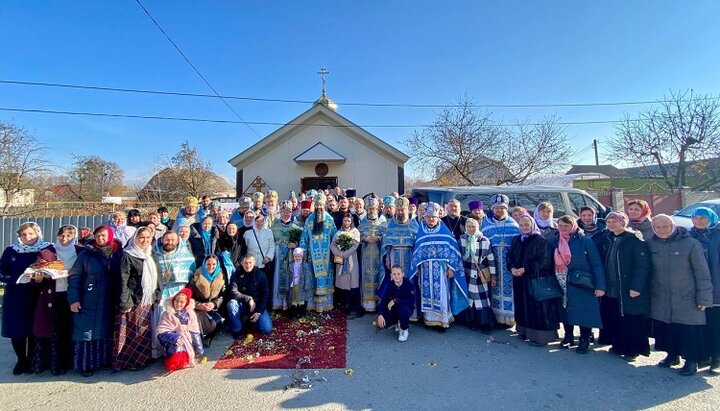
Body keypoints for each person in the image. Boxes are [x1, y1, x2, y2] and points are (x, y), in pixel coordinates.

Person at [649, 214, 713, 376]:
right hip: (661, 295)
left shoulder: (690, 244)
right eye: (658, 227)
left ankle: (691, 361)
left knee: (688, 331)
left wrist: (704, 297)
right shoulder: (651, 244)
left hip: (687, 296)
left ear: (673, 226)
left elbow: (702, 272)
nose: (662, 230)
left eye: (665, 226)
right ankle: (672, 355)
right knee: (668, 328)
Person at [1, 222, 56, 375]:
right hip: (15, 295)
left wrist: (39, 279)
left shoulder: (47, 248)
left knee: (34, 328)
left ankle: (32, 359)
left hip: (37, 295)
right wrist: (17, 278)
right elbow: (1, 272)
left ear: (38, 233)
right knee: (16, 329)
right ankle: (21, 360)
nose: (27, 237)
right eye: (24, 234)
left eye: (31, 234)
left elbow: (53, 271)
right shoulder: (11, 250)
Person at [68, 225, 123, 377]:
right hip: (89, 298)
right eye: (98, 235)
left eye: (104, 235)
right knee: (86, 331)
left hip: (110, 298)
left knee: (106, 330)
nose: (100, 238)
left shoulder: (118, 253)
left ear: (110, 236)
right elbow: (74, 277)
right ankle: (86, 364)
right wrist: (74, 299)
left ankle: (104, 361)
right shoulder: (86, 254)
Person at [596, 212, 651, 361]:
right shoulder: (608, 238)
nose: (612, 224)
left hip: (628, 287)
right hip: (611, 286)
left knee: (631, 320)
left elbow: (642, 267)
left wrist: (636, 287)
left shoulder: (634, 240)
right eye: (609, 222)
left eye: (615, 221)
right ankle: (617, 344)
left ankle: (632, 350)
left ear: (623, 222)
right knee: (615, 317)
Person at [32, 225, 83, 375]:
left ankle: (71, 361)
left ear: (74, 237)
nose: (64, 238)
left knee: (70, 329)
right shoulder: (47, 251)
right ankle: (56, 363)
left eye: (68, 235)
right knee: (54, 330)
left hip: (72, 294)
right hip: (52, 295)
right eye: (62, 235)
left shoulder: (80, 251)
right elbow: (37, 274)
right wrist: (39, 277)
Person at [552, 215, 605, 354]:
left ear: (573, 226)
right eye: (561, 226)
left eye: (567, 226)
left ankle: (584, 339)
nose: (564, 229)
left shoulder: (585, 240)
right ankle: (568, 336)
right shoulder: (555, 240)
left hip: (582, 282)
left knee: (584, 312)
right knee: (565, 310)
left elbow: (596, 263)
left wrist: (600, 285)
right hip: (562, 281)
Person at [411, 202, 469, 329]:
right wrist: (416, 268)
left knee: (442, 294)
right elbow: (417, 252)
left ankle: (443, 321)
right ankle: (429, 319)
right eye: (428, 217)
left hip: (441, 270)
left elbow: (454, 251)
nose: (431, 219)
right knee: (427, 293)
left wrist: (451, 268)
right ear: (424, 217)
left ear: (438, 218)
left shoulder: (445, 232)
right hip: (426, 270)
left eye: (433, 217)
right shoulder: (421, 232)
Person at [113, 227, 161, 371]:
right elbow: (123, 280)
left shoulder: (150, 254)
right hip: (133, 299)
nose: (145, 240)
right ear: (135, 238)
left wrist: (157, 295)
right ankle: (132, 361)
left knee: (144, 330)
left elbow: (158, 275)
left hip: (147, 299)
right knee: (133, 331)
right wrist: (125, 302)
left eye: (148, 238)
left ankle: (144, 358)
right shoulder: (128, 255)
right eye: (142, 238)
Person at [509, 216, 561, 346]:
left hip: (535, 279)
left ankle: (542, 337)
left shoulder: (540, 240)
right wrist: (512, 268)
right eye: (521, 225)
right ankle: (524, 331)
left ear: (532, 224)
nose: (524, 227)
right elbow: (509, 256)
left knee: (538, 308)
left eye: (527, 224)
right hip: (520, 280)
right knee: (522, 306)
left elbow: (544, 260)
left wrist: (525, 268)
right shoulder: (516, 240)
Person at [688, 207, 720, 375]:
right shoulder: (690, 234)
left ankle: (717, 358)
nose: (698, 221)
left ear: (711, 219)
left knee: (715, 325)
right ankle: (704, 356)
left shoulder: (717, 235)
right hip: (694, 287)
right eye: (695, 218)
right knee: (700, 324)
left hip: (716, 286)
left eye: (702, 218)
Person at [481, 194, 521, 326]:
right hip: (494, 265)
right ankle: (497, 318)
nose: (499, 210)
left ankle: (511, 319)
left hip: (510, 266)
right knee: (494, 289)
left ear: (506, 208)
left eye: (502, 208)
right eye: (496, 208)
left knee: (512, 291)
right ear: (492, 209)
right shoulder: (486, 225)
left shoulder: (514, 225)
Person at [299, 193, 338, 312]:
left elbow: (335, 236)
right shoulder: (309, 219)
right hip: (312, 256)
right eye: (317, 205)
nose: (319, 207)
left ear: (324, 205)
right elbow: (304, 236)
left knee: (324, 280)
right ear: (314, 205)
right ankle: (313, 305)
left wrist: (336, 250)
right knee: (313, 280)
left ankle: (325, 306)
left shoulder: (329, 219)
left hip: (326, 256)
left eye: (321, 205)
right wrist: (303, 251)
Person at [460, 218, 496, 333]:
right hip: (468, 273)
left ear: (478, 227)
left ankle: (485, 324)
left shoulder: (484, 240)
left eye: (473, 227)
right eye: (469, 226)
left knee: (483, 299)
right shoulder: (462, 239)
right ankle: (472, 322)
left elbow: (490, 259)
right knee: (470, 299)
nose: (471, 229)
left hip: (480, 274)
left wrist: (494, 275)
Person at [156, 288, 203, 372]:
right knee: (176, 351)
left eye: (182, 302)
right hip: (173, 339)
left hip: (187, 338)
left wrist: (199, 347)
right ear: (173, 300)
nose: (178, 304)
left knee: (187, 354)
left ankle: (186, 356)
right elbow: (161, 331)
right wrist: (175, 338)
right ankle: (172, 357)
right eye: (176, 301)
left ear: (186, 303)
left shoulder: (190, 314)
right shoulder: (167, 314)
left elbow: (194, 330)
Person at [379, 197, 419, 299]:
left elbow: (418, 244)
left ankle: (411, 309)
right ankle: (394, 308)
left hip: (409, 256)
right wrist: (387, 257)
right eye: (398, 210)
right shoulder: (391, 224)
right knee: (395, 280)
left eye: (402, 210)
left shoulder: (413, 223)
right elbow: (387, 242)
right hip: (394, 255)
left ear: (407, 209)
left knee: (409, 280)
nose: (400, 212)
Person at [227, 255, 272, 337]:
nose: (248, 265)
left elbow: (265, 294)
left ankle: (250, 322)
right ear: (241, 263)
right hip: (242, 304)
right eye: (246, 263)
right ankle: (237, 329)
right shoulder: (236, 274)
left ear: (254, 263)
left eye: (250, 263)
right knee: (231, 304)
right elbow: (233, 292)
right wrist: (248, 299)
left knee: (267, 329)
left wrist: (259, 312)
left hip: (257, 305)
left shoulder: (261, 275)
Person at [188, 255, 227, 344]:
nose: (211, 267)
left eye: (213, 264)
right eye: (208, 264)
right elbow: (189, 296)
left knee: (214, 323)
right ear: (204, 264)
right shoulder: (196, 277)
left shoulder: (222, 277)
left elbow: (223, 295)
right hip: (199, 308)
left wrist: (214, 304)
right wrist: (199, 305)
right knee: (201, 320)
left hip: (215, 308)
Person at [156, 231, 197, 315]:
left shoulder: (185, 254)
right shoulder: (154, 254)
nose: (170, 242)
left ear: (178, 241)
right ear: (162, 240)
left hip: (179, 290)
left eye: (173, 240)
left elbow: (191, 275)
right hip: (159, 290)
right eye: (167, 240)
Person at [358, 198, 387, 312]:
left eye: (373, 208)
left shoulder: (382, 223)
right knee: (366, 277)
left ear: (377, 209)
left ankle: (377, 303)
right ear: (367, 209)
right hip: (365, 256)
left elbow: (386, 236)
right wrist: (365, 238)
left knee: (378, 276)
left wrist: (378, 238)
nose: (371, 210)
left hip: (378, 256)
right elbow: (357, 235)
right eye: (369, 208)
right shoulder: (362, 223)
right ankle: (367, 304)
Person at [331, 213, 362, 318]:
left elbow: (355, 245)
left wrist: (345, 254)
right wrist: (339, 253)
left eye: (349, 221)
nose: (346, 223)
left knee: (354, 283)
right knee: (344, 284)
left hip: (351, 259)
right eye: (345, 220)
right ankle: (347, 306)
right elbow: (333, 244)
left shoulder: (355, 232)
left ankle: (357, 308)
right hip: (341, 260)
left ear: (352, 222)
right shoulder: (338, 232)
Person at [270, 202, 300, 311]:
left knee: (291, 277)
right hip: (278, 256)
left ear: (291, 212)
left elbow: (302, 242)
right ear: (280, 213)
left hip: (291, 256)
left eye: (288, 211)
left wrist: (296, 244)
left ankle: (290, 303)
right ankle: (277, 303)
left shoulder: (296, 227)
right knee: (277, 278)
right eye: (283, 212)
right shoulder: (274, 227)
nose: (286, 214)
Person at [376, 265, 415, 342]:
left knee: (403, 310)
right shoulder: (389, 285)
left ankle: (404, 329)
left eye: (398, 274)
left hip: (406, 308)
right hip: (394, 309)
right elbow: (383, 300)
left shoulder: (409, 285)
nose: (396, 276)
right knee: (386, 324)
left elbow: (411, 301)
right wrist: (380, 314)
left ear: (403, 274)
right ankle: (397, 322)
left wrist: (396, 300)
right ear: (391, 275)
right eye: (394, 274)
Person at [244, 213, 275, 298]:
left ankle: (264, 304)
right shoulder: (248, 233)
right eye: (257, 221)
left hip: (263, 263)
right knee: (251, 285)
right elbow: (244, 248)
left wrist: (268, 257)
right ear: (254, 222)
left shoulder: (268, 232)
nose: (259, 223)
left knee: (263, 285)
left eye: (261, 221)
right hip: (251, 265)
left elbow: (272, 246)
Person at [286, 248, 312, 319]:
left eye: (299, 256)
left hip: (302, 285)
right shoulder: (291, 265)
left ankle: (302, 313)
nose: (297, 258)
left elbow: (307, 276)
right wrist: (287, 286)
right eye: (295, 256)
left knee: (301, 300)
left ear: (302, 257)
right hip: (294, 284)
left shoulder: (305, 265)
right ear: (293, 257)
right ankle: (293, 314)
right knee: (294, 300)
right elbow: (288, 275)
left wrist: (306, 285)